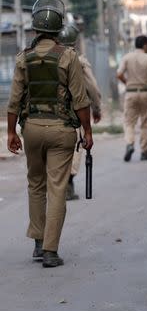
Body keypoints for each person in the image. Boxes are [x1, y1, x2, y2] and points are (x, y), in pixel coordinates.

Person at [6, 0, 93, 267]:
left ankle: (37, 242)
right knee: (57, 188)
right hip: (61, 131)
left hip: (31, 129)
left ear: (34, 27)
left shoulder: (24, 58)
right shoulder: (69, 57)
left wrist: (11, 133)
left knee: (36, 184)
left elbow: (14, 101)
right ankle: (51, 251)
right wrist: (87, 132)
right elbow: (80, 100)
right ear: (59, 28)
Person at [58, 23, 102, 200]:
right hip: (74, 113)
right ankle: (67, 183)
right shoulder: (79, 60)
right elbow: (92, 88)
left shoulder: (47, 58)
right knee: (75, 148)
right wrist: (96, 108)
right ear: (75, 42)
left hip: (49, 113)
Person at [117, 35, 147, 162]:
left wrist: (127, 83)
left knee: (129, 122)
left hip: (130, 93)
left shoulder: (126, 57)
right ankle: (144, 152)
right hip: (146, 93)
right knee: (145, 123)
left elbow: (119, 74)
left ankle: (130, 143)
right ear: (145, 45)